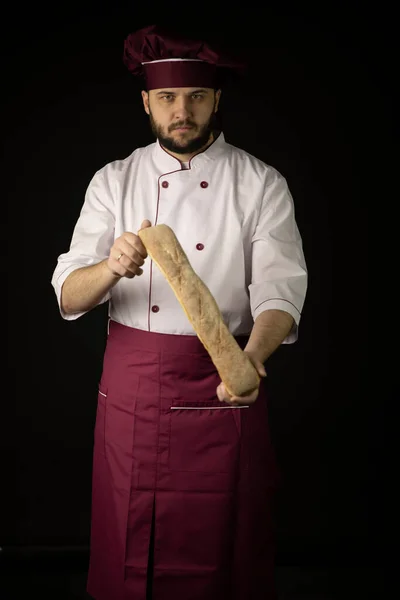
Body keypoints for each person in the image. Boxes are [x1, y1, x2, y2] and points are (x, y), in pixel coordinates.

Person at [51, 23, 308, 600]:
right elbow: (68, 294)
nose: (182, 111)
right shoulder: (113, 181)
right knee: (128, 547)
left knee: (226, 549)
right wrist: (112, 267)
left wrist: (253, 357)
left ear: (217, 99)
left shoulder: (261, 184)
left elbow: (279, 292)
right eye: (167, 97)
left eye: (196, 96)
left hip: (225, 377)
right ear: (146, 101)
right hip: (133, 387)